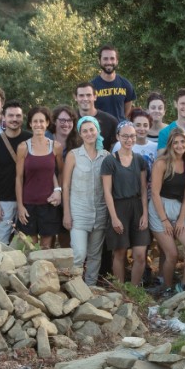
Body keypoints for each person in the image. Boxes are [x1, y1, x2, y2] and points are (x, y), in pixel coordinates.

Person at [63, 116, 110, 286]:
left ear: (97, 131)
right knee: (79, 253)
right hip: (78, 212)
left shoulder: (106, 156)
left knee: (95, 255)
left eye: (92, 129)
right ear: (80, 134)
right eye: (85, 131)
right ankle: (74, 286)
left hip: (100, 211)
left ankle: (90, 288)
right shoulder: (73, 155)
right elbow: (66, 185)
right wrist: (66, 213)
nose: (89, 133)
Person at [151, 128, 185, 292]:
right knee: (172, 254)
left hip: (178, 208)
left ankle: (183, 284)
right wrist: (164, 220)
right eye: (176, 142)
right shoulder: (161, 163)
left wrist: (180, 219)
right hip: (159, 209)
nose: (180, 145)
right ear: (170, 144)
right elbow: (155, 193)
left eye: (183, 141)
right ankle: (166, 287)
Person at [103, 121, 151, 286]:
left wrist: (145, 213)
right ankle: (120, 291)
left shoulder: (140, 160)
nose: (129, 139)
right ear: (118, 137)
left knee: (139, 253)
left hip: (137, 207)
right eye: (125, 136)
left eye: (132, 136)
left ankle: (134, 290)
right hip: (118, 207)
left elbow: (144, 189)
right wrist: (114, 218)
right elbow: (107, 192)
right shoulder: (110, 161)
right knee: (120, 252)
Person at [13, 106, 63, 248]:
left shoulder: (56, 147)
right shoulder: (23, 147)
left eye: (42, 121)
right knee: (30, 246)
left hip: (49, 203)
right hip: (28, 204)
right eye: (35, 121)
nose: (38, 124)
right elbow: (19, 178)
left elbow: (62, 172)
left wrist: (58, 190)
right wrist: (20, 206)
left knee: (46, 246)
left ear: (47, 123)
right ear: (30, 123)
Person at [0, 102, 28, 246]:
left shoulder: (30, 139)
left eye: (18, 115)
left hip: (28, 199)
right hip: (3, 200)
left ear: (23, 117)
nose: (14, 119)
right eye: (11, 115)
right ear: (4, 117)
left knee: (25, 245)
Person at [91, 44, 136, 121]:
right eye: (105, 59)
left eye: (112, 58)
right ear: (99, 61)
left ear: (117, 61)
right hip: (99, 131)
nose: (109, 62)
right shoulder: (91, 87)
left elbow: (127, 112)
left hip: (120, 131)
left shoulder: (126, 85)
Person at [75, 84, 118, 151]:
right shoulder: (70, 121)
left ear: (95, 97)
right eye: (81, 95)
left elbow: (116, 148)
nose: (85, 99)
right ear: (75, 97)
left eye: (88, 95)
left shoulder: (110, 121)